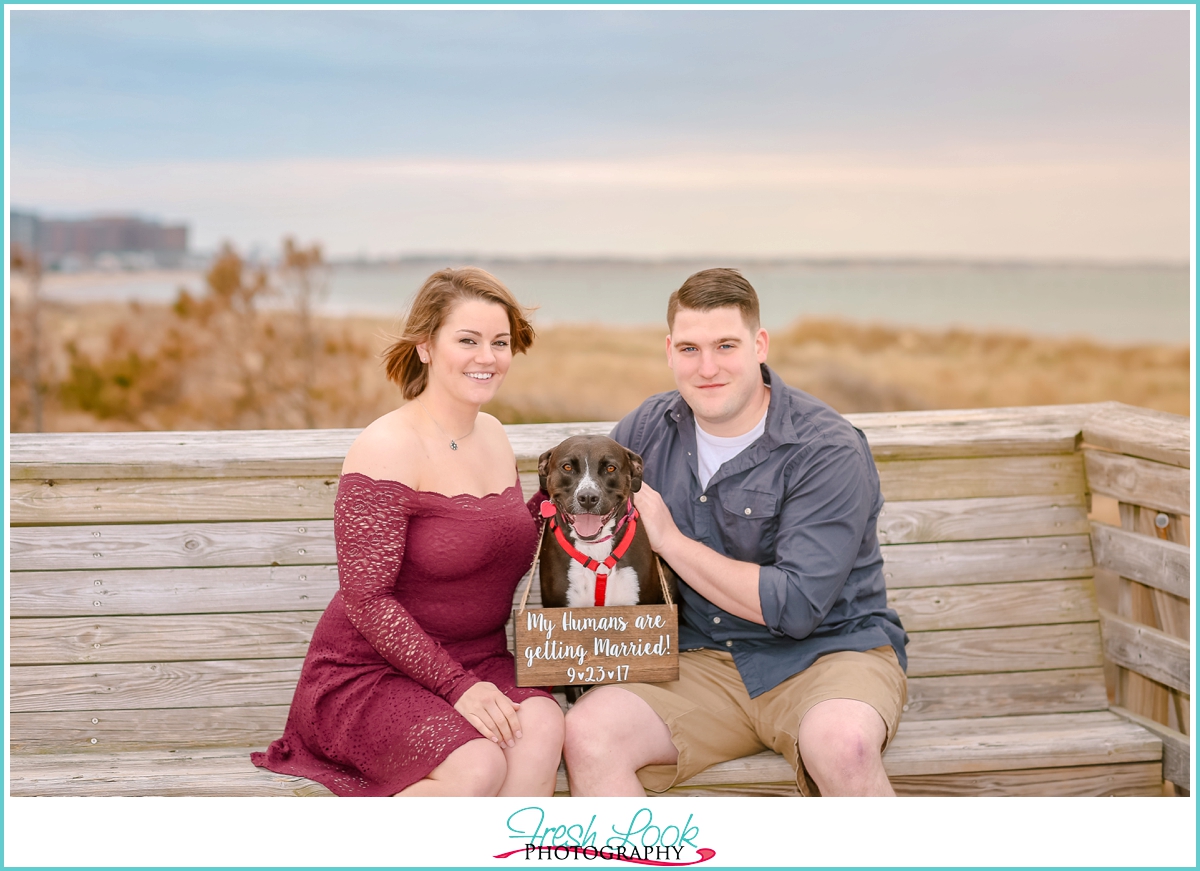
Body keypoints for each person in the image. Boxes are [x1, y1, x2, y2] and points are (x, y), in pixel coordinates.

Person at [562, 268, 908, 797]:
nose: (707, 368)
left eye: (726, 345)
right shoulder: (645, 431)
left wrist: (670, 540)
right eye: (689, 348)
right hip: (697, 661)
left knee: (844, 745)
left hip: (827, 657)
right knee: (588, 734)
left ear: (759, 344)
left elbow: (795, 607)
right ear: (669, 351)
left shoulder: (826, 449)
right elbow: (574, 524)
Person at [252, 267, 564, 796]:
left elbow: (496, 541)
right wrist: (457, 688)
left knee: (542, 727)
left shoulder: (493, 435)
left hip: (478, 657)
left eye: (500, 342)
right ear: (425, 346)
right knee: (478, 768)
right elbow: (367, 600)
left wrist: (573, 505)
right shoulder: (386, 448)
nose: (486, 357)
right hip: (370, 673)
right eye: (467, 340)